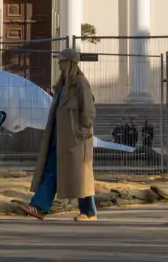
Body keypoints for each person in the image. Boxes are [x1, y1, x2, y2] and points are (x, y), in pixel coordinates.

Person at [24, 51, 97, 221]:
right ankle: (39, 207)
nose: (58, 64)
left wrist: (83, 131)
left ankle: (89, 212)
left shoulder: (80, 83)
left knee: (81, 175)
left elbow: (89, 110)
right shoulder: (62, 86)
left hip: (75, 139)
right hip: (58, 137)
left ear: (69, 62)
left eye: (61, 61)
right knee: (51, 171)